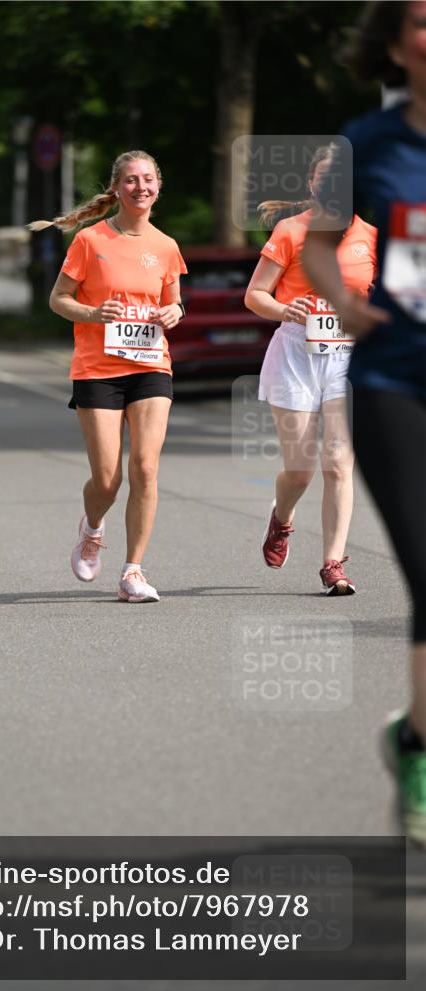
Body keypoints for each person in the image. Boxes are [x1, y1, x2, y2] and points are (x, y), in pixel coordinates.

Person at [302, 0, 426, 846]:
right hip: (393, 382)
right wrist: (345, 300)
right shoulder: (367, 145)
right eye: (420, 22)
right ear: (392, 44)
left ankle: (411, 734)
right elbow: (317, 242)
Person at [30, 150, 186, 602]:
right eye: (132, 180)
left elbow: (174, 300)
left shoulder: (166, 246)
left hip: (151, 364)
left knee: (146, 468)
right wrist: (95, 313)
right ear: (117, 188)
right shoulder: (90, 241)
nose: (141, 187)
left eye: (149, 179)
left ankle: (133, 571)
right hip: (98, 368)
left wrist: (174, 311)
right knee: (107, 479)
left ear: (159, 186)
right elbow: (59, 299)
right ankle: (92, 528)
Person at [244, 146, 377, 594]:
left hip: (349, 358)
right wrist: (285, 308)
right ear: (311, 185)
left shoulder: (371, 236)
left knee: (339, 462)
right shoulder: (291, 231)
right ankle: (282, 518)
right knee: (300, 470)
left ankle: (333, 564)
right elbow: (255, 295)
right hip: (295, 354)